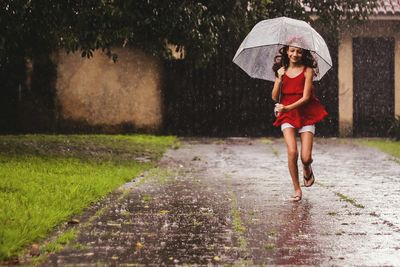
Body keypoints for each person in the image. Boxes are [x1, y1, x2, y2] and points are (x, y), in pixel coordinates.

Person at [271, 43, 328, 202]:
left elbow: (306, 98)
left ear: (303, 54)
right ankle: (297, 190)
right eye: (292, 50)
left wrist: (287, 108)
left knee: (305, 157)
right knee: (292, 152)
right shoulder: (281, 71)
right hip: (286, 115)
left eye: (299, 51)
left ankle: (307, 168)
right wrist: (278, 78)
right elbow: (275, 97)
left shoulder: (308, 71)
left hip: (306, 113)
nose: (295, 54)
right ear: (287, 52)